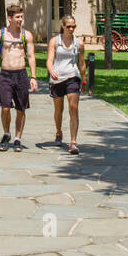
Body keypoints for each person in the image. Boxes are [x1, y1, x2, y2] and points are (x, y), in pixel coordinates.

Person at [0, 3, 37, 151]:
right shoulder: (0, 34)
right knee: (5, 108)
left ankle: (17, 138)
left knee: (21, 109)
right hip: (5, 75)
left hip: (21, 75)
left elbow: (31, 56)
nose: (20, 20)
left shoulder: (26, 35)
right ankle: (6, 133)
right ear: (10, 18)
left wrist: (33, 77)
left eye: (21, 17)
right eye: (17, 17)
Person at [46, 15, 85, 154]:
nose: (71, 29)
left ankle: (73, 142)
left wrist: (84, 78)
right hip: (57, 79)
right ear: (62, 26)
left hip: (73, 76)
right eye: (68, 26)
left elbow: (81, 62)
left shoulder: (79, 43)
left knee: (73, 107)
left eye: (73, 26)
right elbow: (49, 60)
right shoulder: (54, 41)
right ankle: (58, 132)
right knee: (58, 110)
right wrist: (51, 71)